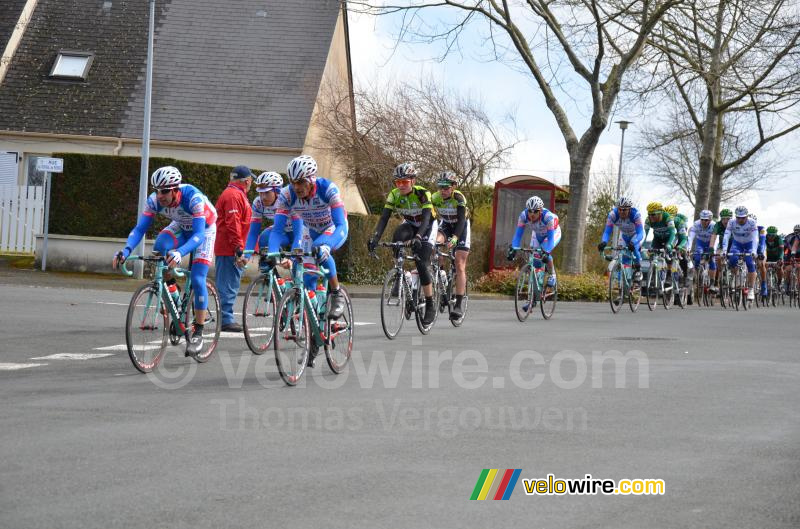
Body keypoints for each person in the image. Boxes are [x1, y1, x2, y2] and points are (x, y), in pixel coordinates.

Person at [112, 166, 217, 356]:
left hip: (204, 231)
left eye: (165, 191)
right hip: (181, 226)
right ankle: (173, 294)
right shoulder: (154, 201)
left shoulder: (193, 198)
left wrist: (180, 253)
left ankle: (198, 333)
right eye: (157, 190)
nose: (160, 195)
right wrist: (126, 250)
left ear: (176, 189)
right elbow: (139, 229)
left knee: (198, 278)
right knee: (160, 246)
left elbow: (199, 234)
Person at [269, 155, 349, 327]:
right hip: (310, 229)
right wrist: (272, 252)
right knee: (307, 275)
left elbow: (340, 223)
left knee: (320, 249)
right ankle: (314, 319)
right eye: (293, 182)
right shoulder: (286, 195)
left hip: (333, 227)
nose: (297, 187)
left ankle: (336, 293)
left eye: (301, 182)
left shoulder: (328, 189)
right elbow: (277, 230)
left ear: (312, 179)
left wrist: (328, 244)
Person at [368, 162, 438, 326]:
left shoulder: (423, 193)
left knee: (421, 261)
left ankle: (430, 304)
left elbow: (427, 218)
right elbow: (384, 218)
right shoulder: (394, 195)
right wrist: (375, 238)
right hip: (410, 224)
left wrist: (419, 237)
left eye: (404, 182)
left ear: (413, 181)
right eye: (397, 182)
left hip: (427, 227)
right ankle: (400, 275)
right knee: (398, 237)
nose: (400, 186)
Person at [214, 165, 254, 332]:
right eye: (251, 180)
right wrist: (238, 248)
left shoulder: (233, 194)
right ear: (246, 181)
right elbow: (233, 223)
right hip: (229, 248)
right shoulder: (234, 195)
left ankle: (226, 317)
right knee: (228, 284)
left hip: (228, 246)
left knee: (230, 283)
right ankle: (226, 319)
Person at [507, 195, 561, 311]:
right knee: (535, 262)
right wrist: (514, 249)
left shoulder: (548, 217)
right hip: (537, 235)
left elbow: (550, 239)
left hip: (552, 234)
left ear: (540, 211)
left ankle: (552, 275)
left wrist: (546, 252)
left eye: (535, 212)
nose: (532, 214)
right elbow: (518, 235)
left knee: (544, 252)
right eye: (530, 211)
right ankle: (533, 298)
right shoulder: (523, 216)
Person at [431, 171, 469, 320]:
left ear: (454, 187)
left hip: (461, 227)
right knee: (435, 245)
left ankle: (458, 305)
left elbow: (460, 221)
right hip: (446, 225)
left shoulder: (459, 198)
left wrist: (455, 238)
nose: (443, 190)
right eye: (440, 187)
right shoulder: (434, 198)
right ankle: (440, 274)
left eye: (446, 188)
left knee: (459, 263)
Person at [598, 196, 645, 282]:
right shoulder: (613, 215)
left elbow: (640, 233)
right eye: (620, 209)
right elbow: (607, 232)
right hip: (623, 235)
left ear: (629, 209)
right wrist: (604, 242)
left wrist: (634, 242)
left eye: (624, 210)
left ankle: (638, 269)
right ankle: (622, 285)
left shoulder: (635, 215)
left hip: (635, 235)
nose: (622, 212)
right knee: (622, 256)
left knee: (634, 249)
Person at [722, 206, 759, 301]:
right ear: (735, 217)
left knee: (750, 263)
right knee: (732, 259)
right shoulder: (731, 222)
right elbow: (726, 236)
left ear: (747, 216)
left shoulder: (752, 222)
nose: (740, 220)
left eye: (743, 217)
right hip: (737, 244)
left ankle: (750, 289)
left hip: (749, 244)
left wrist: (754, 251)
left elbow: (755, 238)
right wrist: (724, 250)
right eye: (738, 217)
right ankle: (735, 276)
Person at [644, 201, 677, 274]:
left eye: (653, 214)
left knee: (668, 253)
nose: (650, 217)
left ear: (660, 213)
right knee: (652, 254)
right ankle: (653, 272)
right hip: (657, 238)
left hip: (669, 238)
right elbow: (644, 234)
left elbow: (672, 232)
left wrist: (669, 244)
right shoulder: (648, 220)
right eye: (649, 214)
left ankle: (669, 271)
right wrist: (641, 245)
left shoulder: (668, 217)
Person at [687, 209, 717, 290]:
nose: (704, 222)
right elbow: (691, 237)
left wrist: (713, 250)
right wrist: (688, 248)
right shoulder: (696, 224)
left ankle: (712, 283)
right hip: (700, 243)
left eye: (706, 220)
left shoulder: (714, 225)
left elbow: (716, 239)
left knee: (712, 261)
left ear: (710, 220)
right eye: (702, 220)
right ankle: (696, 275)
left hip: (710, 243)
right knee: (697, 257)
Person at [709, 208, 733, 291]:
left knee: (734, 261)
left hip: (733, 245)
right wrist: (711, 248)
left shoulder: (734, 224)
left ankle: (733, 279)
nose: (725, 221)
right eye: (723, 219)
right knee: (718, 257)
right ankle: (720, 272)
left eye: (728, 219)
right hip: (722, 246)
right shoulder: (718, 225)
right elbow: (713, 236)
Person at [764, 226, 784, 292]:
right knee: (763, 267)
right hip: (767, 257)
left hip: (777, 257)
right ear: (767, 234)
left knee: (779, 267)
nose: (771, 237)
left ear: (776, 234)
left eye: (773, 235)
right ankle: (765, 283)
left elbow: (781, 250)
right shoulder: (764, 238)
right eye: (769, 235)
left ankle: (779, 282)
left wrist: (780, 258)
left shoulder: (779, 238)